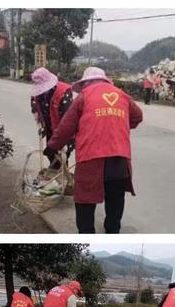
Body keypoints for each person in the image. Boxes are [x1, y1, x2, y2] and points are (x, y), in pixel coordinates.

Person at [45, 66, 143, 234]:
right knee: (116, 197)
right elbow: (137, 116)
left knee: (84, 198)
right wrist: (118, 124)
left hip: (91, 157)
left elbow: (66, 127)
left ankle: (86, 234)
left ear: (86, 83)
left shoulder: (84, 97)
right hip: (119, 157)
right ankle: (112, 230)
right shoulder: (122, 95)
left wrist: (52, 146)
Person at [30, 67, 74, 169]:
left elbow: (68, 119)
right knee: (51, 155)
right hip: (51, 128)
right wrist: (40, 121)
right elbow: (35, 108)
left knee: (61, 158)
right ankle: (56, 177)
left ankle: (60, 180)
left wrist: (63, 143)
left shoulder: (63, 92)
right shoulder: (37, 94)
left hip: (64, 131)